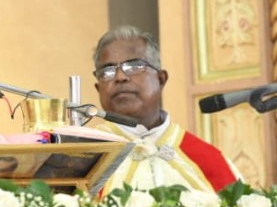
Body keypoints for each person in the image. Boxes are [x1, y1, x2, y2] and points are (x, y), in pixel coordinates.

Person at [90, 25, 240, 193]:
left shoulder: (210, 161)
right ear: (98, 88)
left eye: (134, 66)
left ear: (161, 79)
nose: (120, 77)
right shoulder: (83, 160)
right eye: (107, 71)